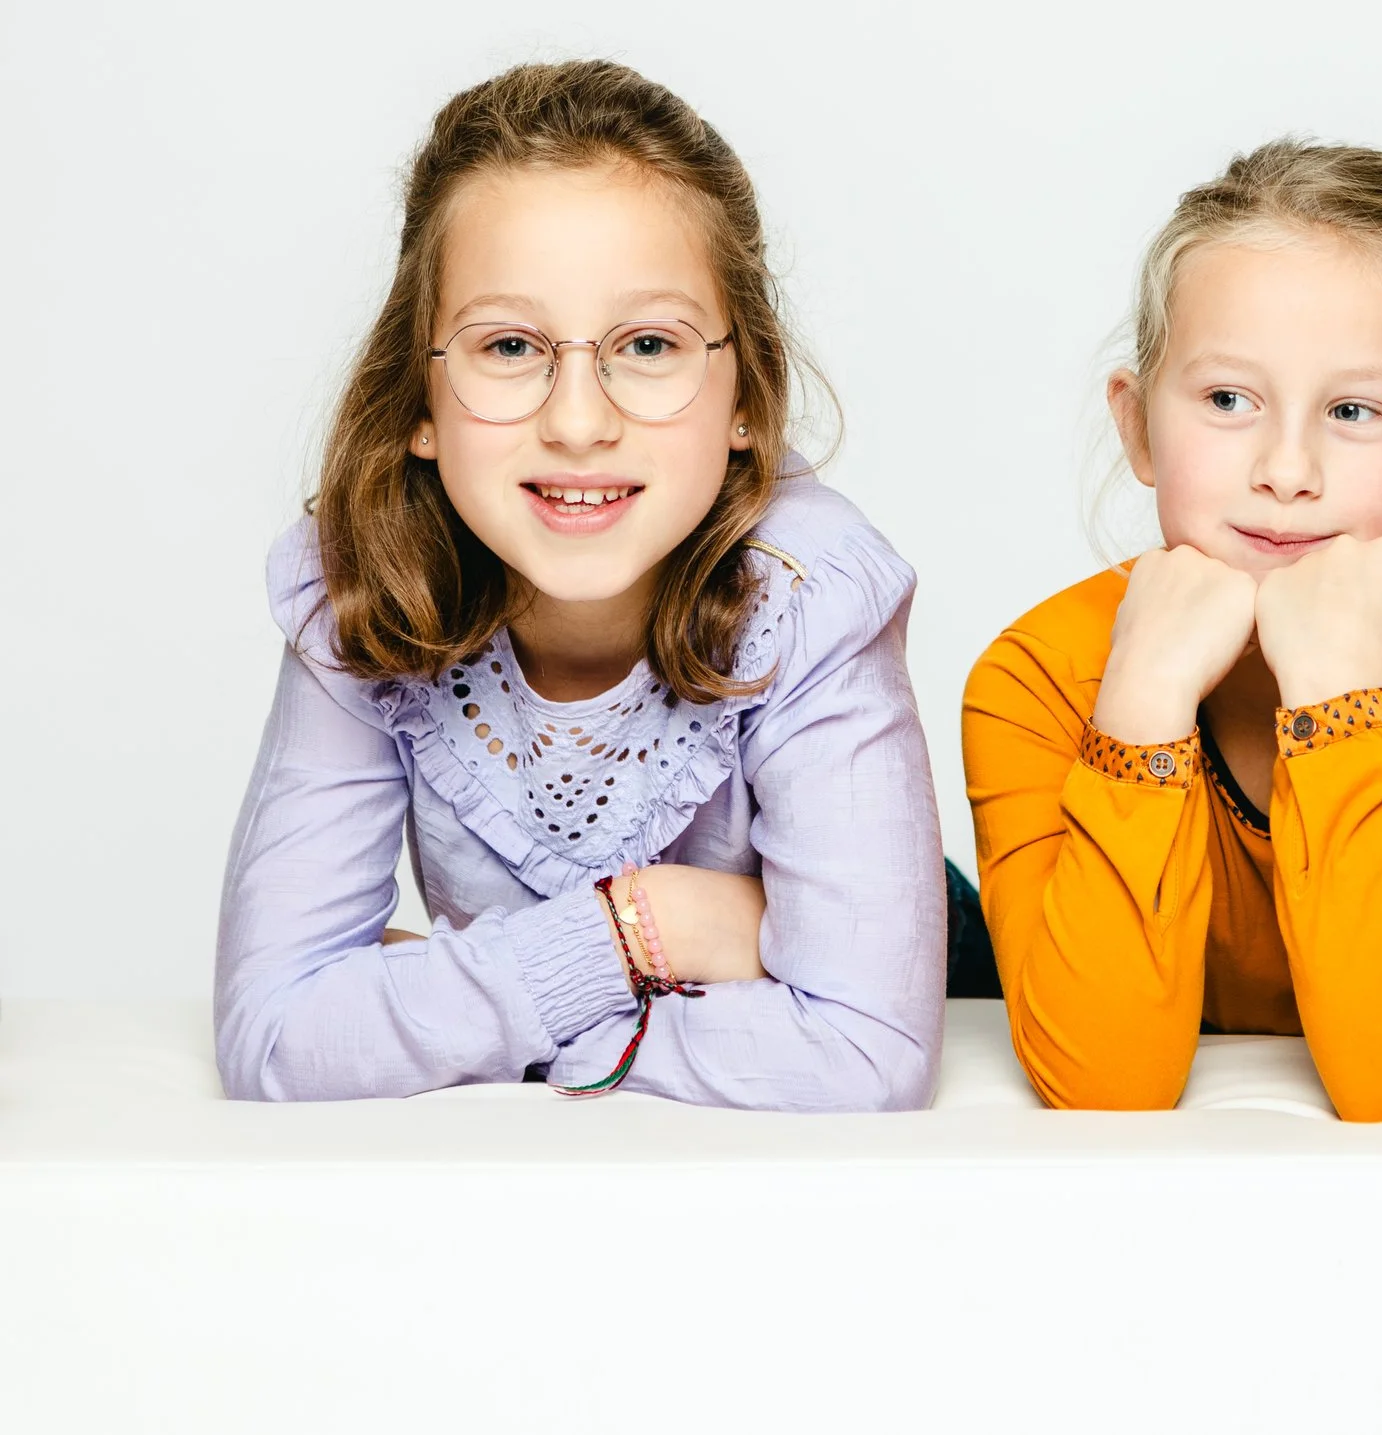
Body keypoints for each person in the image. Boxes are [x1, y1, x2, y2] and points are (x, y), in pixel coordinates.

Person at [216, 61, 945, 1108]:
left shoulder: (811, 594)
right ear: (418, 400)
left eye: (647, 344)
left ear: (747, 400)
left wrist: (441, 1016)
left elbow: (863, 1055)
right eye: (509, 344)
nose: (577, 419)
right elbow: (278, 1036)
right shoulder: (364, 588)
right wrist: (637, 929)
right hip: (696, 964)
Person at [961, 139, 1382, 1121]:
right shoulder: (1034, 675)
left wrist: (1341, 683)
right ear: (1136, 426)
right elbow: (1102, 1084)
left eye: (1353, 409)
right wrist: (1141, 702)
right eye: (1226, 400)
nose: (1286, 468)